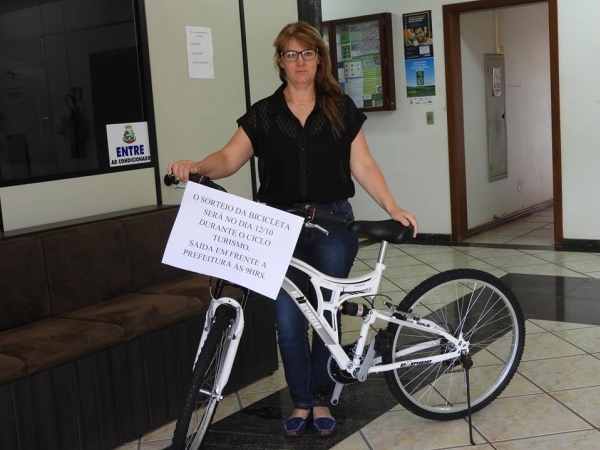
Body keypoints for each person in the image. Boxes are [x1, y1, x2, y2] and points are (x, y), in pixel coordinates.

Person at [167, 21, 418, 438]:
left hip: (333, 224)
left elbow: (363, 164)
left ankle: (320, 396)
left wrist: (392, 206)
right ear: (280, 62)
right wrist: (197, 166)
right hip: (278, 227)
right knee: (287, 319)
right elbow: (228, 158)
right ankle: (300, 399)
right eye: (290, 54)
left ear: (319, 59)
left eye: (307, 53)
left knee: (324, 315)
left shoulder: (339, 107)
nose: (299, 62)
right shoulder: (264, 114)